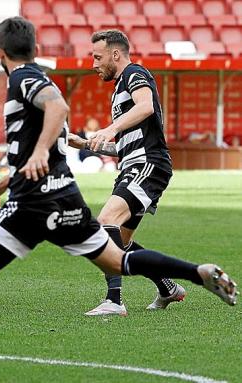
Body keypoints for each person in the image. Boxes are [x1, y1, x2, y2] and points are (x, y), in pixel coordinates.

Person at [0, 17, 238, 381]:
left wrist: (37, 155)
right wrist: (2, 181)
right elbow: (48, 135)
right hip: (63, 198)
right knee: (117, 258)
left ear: (1, 54)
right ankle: (197, 273)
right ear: (36, 47)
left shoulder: (23, 78)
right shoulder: (39, 80)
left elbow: (58, 114)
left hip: (30, 205)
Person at [68, 30, 184, 316]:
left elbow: (145, 107)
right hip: (134, 164)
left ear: (115, 54)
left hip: (148, 164)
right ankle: (168, 287)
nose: (94, 64)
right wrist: (85, 144)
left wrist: (110, 127)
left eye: (98, 57)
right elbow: (125, 146)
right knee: (123, 238)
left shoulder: (134, 73)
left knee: (105, 220)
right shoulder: (120, 89)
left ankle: (114, 300)